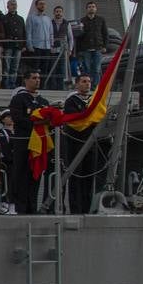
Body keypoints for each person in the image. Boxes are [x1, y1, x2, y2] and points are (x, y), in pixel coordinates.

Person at [8, 69, 46, 213]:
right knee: (21, 174)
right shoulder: (19, 99)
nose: (37, 80)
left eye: (39, 78)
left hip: (38, 144)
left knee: (35, 175)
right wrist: (35, 123)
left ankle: (32, 206)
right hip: (24, 143)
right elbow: (18, 118)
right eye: (34, 77)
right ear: (26, 80)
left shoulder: (42, 101)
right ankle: (20, 206)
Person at [61, 73, 96, 214]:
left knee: (89, 177)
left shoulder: (93, 101)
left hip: (91, 142)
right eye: (84, 81)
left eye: (89, 81)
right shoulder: (72, 101)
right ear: (77, 84)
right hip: (76, 143)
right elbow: (75, 119)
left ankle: (87, 208)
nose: (87, 84)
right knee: (76, 177)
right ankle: (76, 208)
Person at [78, 0, 109, 83]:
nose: (91, 8)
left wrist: (105, 46)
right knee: (86, 69)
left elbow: (105, 33)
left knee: (96, 69)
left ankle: (96, 87)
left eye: (93, 7)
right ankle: (88, 85)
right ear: (86, 9)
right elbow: (79, 36)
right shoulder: (82, 21)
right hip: (86, 48)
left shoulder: (101, 20)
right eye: (89, 7)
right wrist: (79, 50)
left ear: (96, 9)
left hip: (98, 47)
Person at [26, 0, 54, 83]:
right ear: (36, 6)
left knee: (45, 68)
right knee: (35, 68)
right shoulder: (31, 18)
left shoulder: (48, 19)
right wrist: (29, 45)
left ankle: (44, 85)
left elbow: (51, 33)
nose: (42, 5)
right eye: (41, 4)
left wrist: (52, 45)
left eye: (44, 4)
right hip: (36, 46)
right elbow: (29, 32)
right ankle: (34, 85)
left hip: (47, 47)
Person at [0, 0, 27, 89]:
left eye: (15, 4)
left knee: (15, 66)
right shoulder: (3, 18)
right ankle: (6, 84)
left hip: (18, 45)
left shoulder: (20, 19)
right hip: (8, 45)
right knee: (7, 66)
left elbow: (23, 32)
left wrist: (24, 44)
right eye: (12, 4)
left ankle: (12, 84)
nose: (14, 6)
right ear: (8, 6)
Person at [49, 5, 74, 90]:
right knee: (53, 69)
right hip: (53, 50)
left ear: (62, 13)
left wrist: (70, 50)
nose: (58, 13)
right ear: (54, 13)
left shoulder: (67, 24)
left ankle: (61, 87)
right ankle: (53, 87)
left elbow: (70, 38)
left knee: (62, 69)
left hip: (63, 51)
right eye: (57, 11)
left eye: (60, 11)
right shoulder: (50, 23)